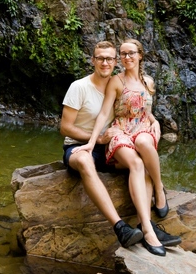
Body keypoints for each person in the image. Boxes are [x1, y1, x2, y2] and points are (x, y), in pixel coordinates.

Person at [62, 41, 180, 256]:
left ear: (115, 61)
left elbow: (137, 107)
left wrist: (154, 121)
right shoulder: (80, 87)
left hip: (111, 144)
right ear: (93, 60)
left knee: (140, 163)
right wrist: (95, 141)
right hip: (82, 145)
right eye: (100, 58)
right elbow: (65, 128)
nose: (105, 62)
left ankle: (147, 226)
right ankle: (121, 227)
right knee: (85, 161)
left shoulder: (119, 83)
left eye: (109, 58)